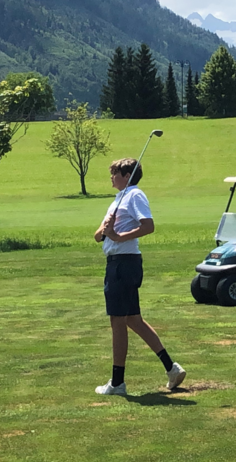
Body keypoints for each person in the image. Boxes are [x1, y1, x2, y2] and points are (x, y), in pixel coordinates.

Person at [92, 158, 186, 396]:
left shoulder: (134, 195)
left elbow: (148, 226)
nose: (111, 177)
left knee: (118, 321)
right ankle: (171, 368)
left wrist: (119, 236)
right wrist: (106, 230)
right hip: (117, 263)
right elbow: (98, 236)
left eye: (115, 173)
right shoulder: (118, 200)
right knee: (133, 320)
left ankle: (117, 383)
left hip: (124, 264)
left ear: (126, 175)